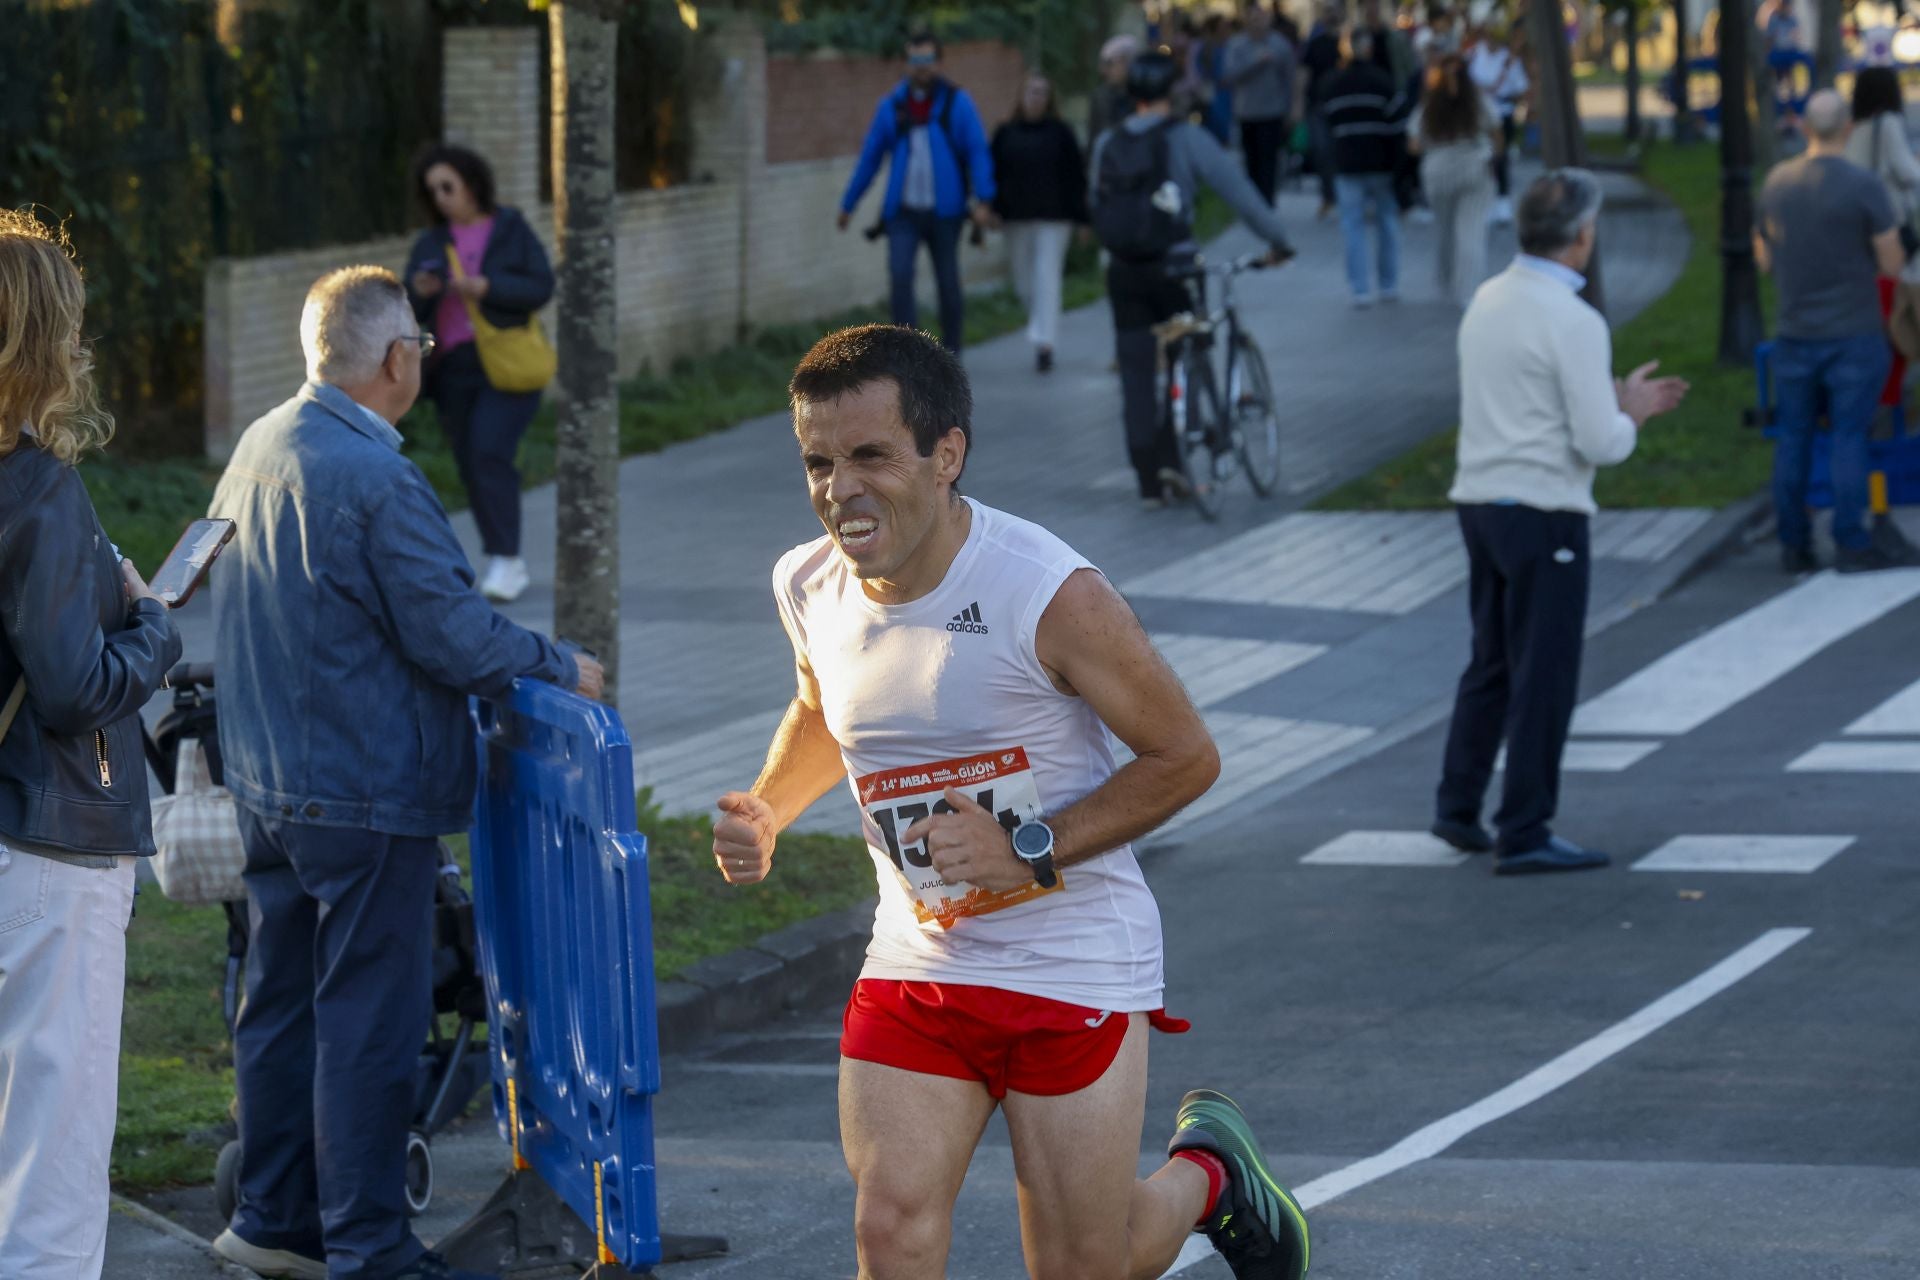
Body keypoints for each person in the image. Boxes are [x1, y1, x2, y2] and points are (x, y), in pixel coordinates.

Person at [712, 322, 1310, 1280]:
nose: (839, 490)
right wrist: (771, 810)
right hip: (919, 957)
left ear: (946, 454)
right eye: (818, 462)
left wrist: (1027, 846)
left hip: (1070, 962)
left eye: (870, 455)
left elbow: (1185, 756)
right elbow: (826, 703)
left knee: (1083, 1263)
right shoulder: (807, 581)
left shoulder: (1047, 591)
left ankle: (1210, 1178)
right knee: (891, 1229)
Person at [207, 266, 605, 1280]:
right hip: (363, 790)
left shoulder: (259, 443)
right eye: (421, 345)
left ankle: (273, 1217)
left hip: (268, 780)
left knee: (281, 999)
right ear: (397, 360)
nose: (423, 358)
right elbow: (457, 637)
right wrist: (563, 666)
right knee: (368, 1022)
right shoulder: (379, 479)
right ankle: (370, 1244)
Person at [0, 209, 184, 1280]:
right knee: (52, 1184)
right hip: (47, 844)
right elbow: (73, 687)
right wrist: (154, 626)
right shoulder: (35, 489)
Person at [1434, 170, 1688, 874]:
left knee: (1491, 660)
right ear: (1581, 237)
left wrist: (1601, 401)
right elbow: (1598, 443)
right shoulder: (1575, 319)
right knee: (1544, 673)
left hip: (1481, 498)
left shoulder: (1488, 299)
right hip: (1546, 509)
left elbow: (1523, 395)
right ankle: (1525, 827)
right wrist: (1629, 412)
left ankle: (1458, 804)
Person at [1089, 51, 1297, 507]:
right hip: (1176, 269)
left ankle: (1148, 477)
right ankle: (1181, 447)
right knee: (1192, 350)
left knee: (1136, 371)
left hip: (1124, 270)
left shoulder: (1108, 143)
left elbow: (1095, 202)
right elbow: (1238, 191)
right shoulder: (1186, 137)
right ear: (1171, 92)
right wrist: (1280, 240)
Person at [1756, 89, 1916, 574]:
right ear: (1847, 129)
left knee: (1795, 438)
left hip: (1794, 331)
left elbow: (1764, 258)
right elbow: (1891, 262)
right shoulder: (1863, 185)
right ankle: (1850, 541)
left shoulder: (1777, 183)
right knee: (1849, 437)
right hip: (1854, 332)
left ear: (1805, 128)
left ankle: (1794, 544)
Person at [403, 145, 554, 605]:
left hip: (507, 366)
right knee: (471, 462)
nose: (442, 197)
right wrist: (421, 290)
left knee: (490, 452)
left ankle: (506, 559)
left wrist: (489, 287)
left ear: (472, 182)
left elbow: (540, 285)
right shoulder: (432, 241)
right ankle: (503, 558)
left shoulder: (509, 229)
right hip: (454, 367)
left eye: (448, 186)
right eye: (433, 191)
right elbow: (408, 304)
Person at [838, 31, 998, 354]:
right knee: (899, 277)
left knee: (948, 283)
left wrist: (985, 198)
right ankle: (908, 358)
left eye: (927, 60)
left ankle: (952, 356)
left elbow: (977, 151)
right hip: (903, 214)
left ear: (939, 63)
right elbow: (870, 158)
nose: (921, 67)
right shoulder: (892, 107)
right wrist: (848, 203)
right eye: (915, 60)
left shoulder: (957, 103)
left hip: (947, 213)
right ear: (906, 63)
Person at [991, 73, 1088, 374]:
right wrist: (989, 210)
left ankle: (1045, 344)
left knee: (1047, 277)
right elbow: (992, 175)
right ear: (1021, 96)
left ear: (1050, 100)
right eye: (1032, 91)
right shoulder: (1005, 133)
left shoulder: (1061, 133)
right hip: (1016, 219)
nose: (1037, 97)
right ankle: (1040, 325)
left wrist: (1083, 218)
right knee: (1024, 281)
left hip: (1054, 219)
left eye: (1043, 92)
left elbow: (1076, 178)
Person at [1409, 52, 1502, 307]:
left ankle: (1446, 280)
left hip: (1437, 170)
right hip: (1474, 165)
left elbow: (1414, 144)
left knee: (1445, 230)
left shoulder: (1429, 105)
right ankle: (1469, 291)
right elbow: (1497, 134)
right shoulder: (1479, 102)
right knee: (1471, 231)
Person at [1324, 28, 1406, 306]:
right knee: (1387, 224)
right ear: (1370, 49)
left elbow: (1329, 125)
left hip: (1347, 165)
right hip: (1381, 165)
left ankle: (1360, 289)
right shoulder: (1384, 83)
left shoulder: (1335, 85)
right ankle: (1388, 285)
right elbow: (1398, 127)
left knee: (1352, 226)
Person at [1224, 2, 1300, 206]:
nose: (1257, 22)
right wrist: (1255, 62)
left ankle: (1267, 203)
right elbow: (1229, 75)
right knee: (1251, 161)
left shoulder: (1280, 45)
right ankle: (1254, 202)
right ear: (1246, 20)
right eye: (1253, 18)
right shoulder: (1236, 45)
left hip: (1272, 112)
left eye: (1261, 18)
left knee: (1269, 161)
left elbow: (1291, 79)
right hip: (1246, 112)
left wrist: (1293, 108)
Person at [1470, 26, 1529, 225]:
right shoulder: (1475, 55)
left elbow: (1520, 88)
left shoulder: (1509, 59)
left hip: (1503, 113)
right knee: (1482, 157)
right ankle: (1486, 200)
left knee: (1500, 157)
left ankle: (1502, 200)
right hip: (1480, 114)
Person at [1301, 2, 1347, 217]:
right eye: (1328, 10)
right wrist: (1297, 104)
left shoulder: (1348, 42)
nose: (1331, 15)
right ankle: (1328, 196)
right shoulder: (1315, 43)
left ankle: (1348, 196)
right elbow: (1304, 73)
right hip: (1318, 105)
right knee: (1321, 151)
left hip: (1345, 106)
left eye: (1334, 10)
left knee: (1343, 151)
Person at [1089, 34, 1142, 148]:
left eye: (1109, 63)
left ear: (1128, 63)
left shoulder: (1144, 95)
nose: (1103, 70)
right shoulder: (1100, 96)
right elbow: (1094, 139)